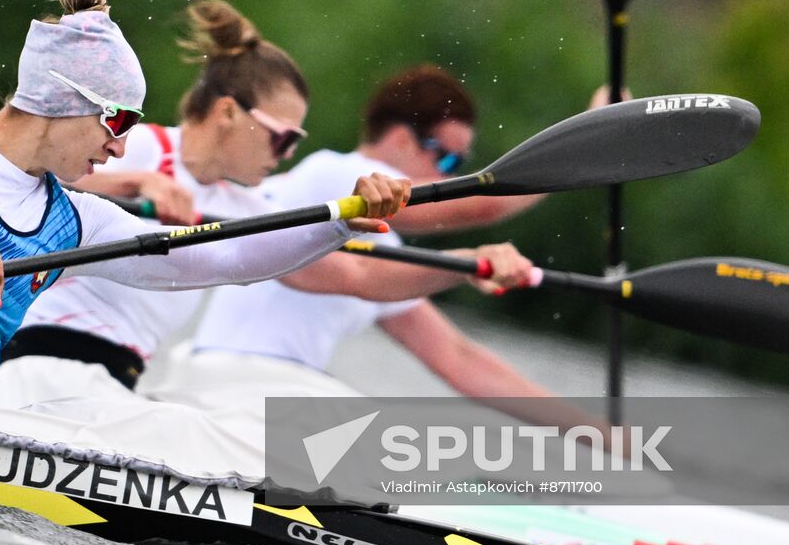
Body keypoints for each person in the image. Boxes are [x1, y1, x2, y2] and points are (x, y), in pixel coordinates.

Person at [0, 0, 411, 428]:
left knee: (176, 423)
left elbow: (222, 261)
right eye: (117, 122)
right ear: (66, 102)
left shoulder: (78, 221)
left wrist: (342, 221)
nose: (122, 148)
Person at [0, 2, 536, 410]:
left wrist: (454, 263)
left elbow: (356, 275)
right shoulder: (134, 147)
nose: (289, 154)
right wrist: (133, 185)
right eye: (281, 137)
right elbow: (15, 185)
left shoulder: (243, 206)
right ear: (228, 113)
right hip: (39, 365)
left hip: (114, 386)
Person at [148, 65, 612, 436]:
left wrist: (598, 434)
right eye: (447, 160)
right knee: (409, 448)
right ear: (401, 140)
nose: (450, 176)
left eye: (459, 166)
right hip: (239, 381)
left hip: (246, 389)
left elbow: (458, 359)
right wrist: (592, 142)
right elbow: (480, 206)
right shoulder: (336, 176)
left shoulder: (382, 250)